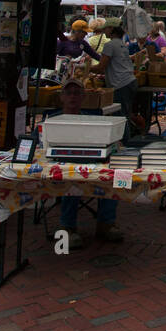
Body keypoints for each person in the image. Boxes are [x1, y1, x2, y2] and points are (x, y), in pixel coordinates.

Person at [56, 81, 122, 247]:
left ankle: (106, 224)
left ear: (83, 97)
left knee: (112, 176)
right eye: (69, 92)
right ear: (62, 97)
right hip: (61, 167)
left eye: (77, 93)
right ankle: (68, 227)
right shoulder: (53, 120)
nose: (73, 96)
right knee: (72, 179)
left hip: (90, 164)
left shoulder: (91, 119)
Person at [94, 23, 138, 133]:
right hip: (130, 81)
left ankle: (125, 141)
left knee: (120, 116)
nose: (104, 31)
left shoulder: (110, 45)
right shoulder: (121, 44)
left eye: (106, 28)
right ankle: (127, 138)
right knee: (125, 114)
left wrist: (84, 68)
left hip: (120, 83)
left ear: (112, 29)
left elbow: (101, 67)